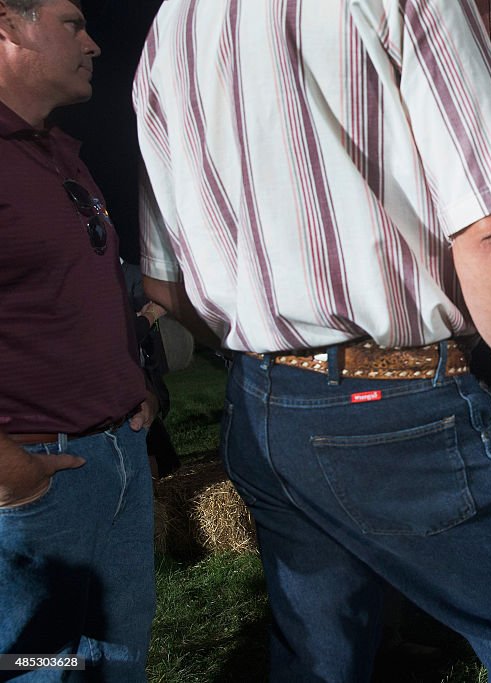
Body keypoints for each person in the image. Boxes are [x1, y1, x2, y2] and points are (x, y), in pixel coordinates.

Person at [134, 1, 491, 680]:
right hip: (394, 395)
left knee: (318, 656)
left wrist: (272, 344)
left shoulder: (172, 24)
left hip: (262, 399)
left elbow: (167, 288)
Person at [0, 0, 157, 679]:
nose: (93, 43)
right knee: (36, 660)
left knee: (116, 656)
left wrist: (132, 388)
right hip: (37, 477)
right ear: (7, 23)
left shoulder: (55, 150)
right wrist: (10, 471)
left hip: (113, 454)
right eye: (71, 24)